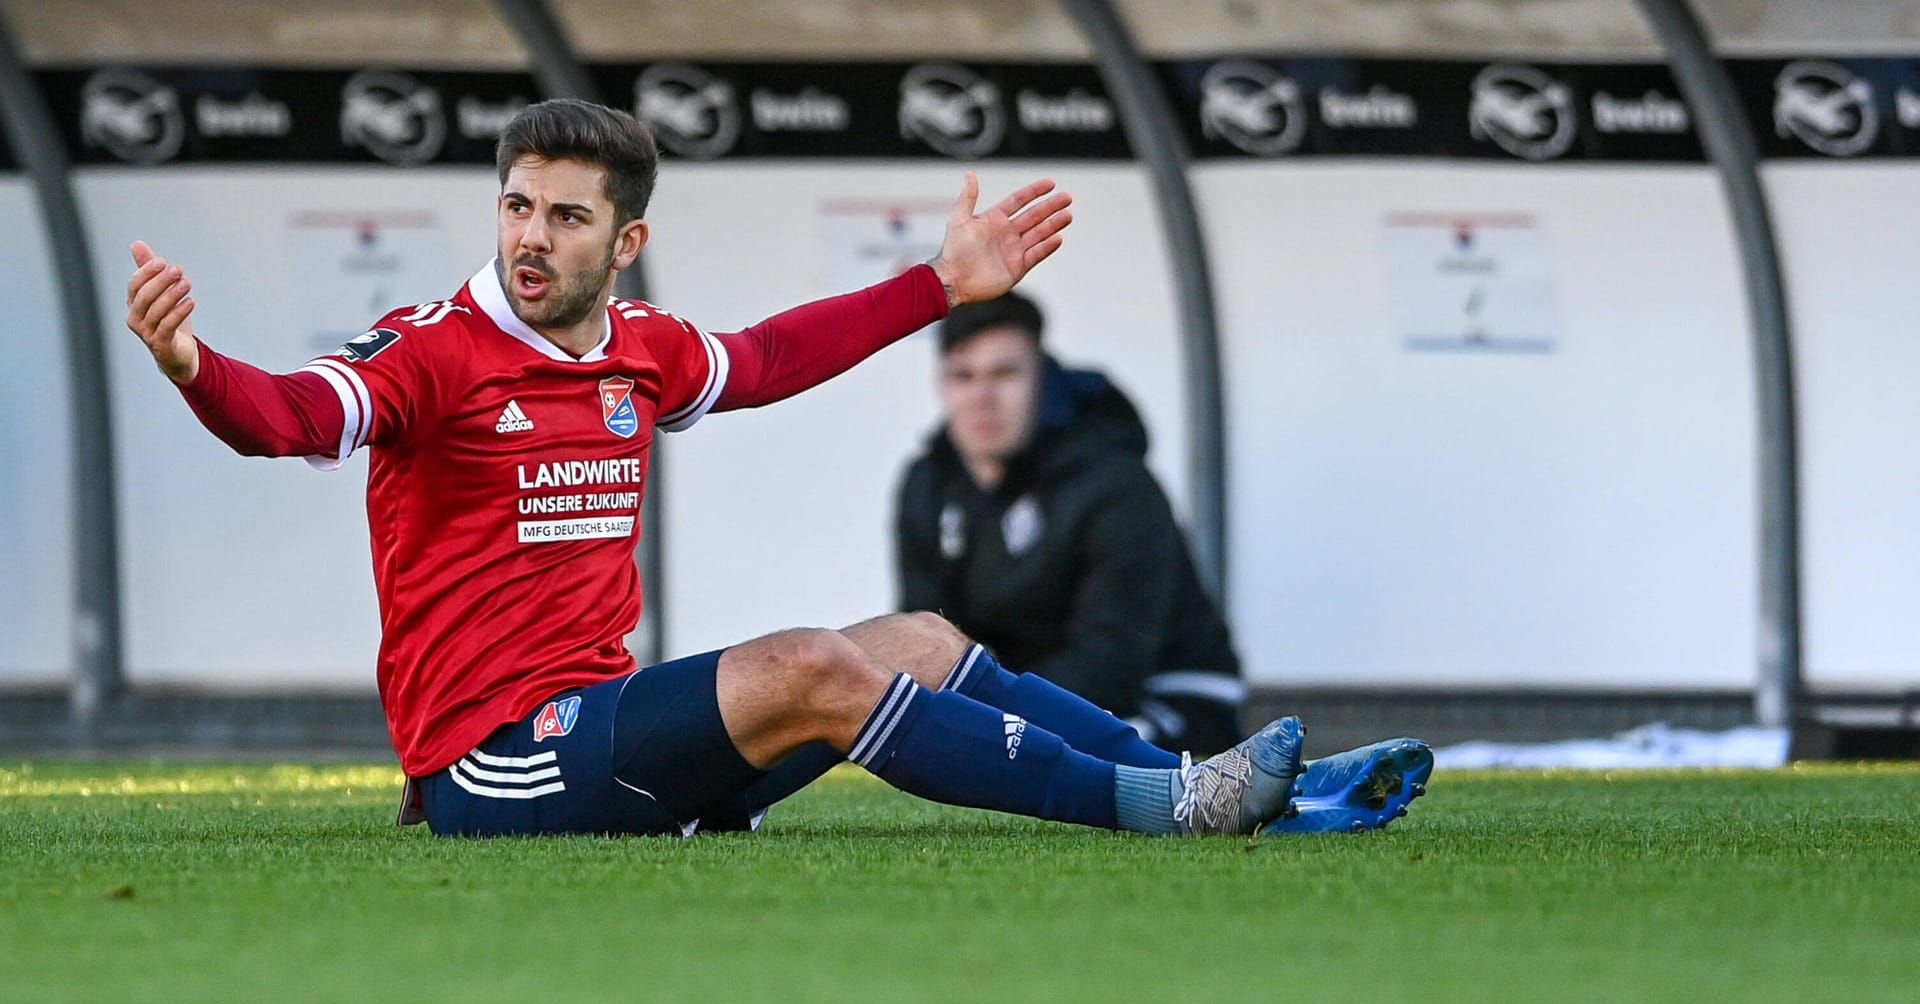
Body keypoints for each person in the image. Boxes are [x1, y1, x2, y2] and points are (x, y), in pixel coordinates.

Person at [125, 98, 1429, 839]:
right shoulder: (434, 352)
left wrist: (939, 284)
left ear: (624, 238)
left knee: (913, 635)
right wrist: (192, 361)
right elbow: (288, 417)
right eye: (518, 204)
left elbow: (764, 358)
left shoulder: (639, 348)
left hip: (609, 733)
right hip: (491, 765)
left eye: (566, 215)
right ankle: (1162, 804)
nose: (532, 236)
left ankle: (1252, 793)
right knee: (811, 663)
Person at [897, 292, 1243, 757]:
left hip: (1169, 700)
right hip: (1024, 702)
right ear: (942, 385)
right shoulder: (928, 485)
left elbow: (1111, 665)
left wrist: (987, 719)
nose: (982, 396)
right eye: (963, 376)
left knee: (1052, 759)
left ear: (1042, 378)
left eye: (1005, 373)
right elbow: (922, 634)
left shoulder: (1115, 483)